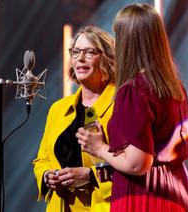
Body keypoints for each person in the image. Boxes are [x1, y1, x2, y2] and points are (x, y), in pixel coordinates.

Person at [76, 3, 188, 212]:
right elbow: (184, 147)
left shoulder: (134, 90)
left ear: (127, 41)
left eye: (118, 36)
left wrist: (99, 147)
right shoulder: (176, 88)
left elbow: (137, 164)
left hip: (145, 197)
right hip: (178, 193)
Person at [33, 26, 116, 212]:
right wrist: (47, 176)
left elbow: (136, 165)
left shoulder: (121, 104)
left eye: (89, 52)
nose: (79, 58)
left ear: (107, 58)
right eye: (76, 52)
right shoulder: (58, 109)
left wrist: (91, 176)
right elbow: (41, 160)